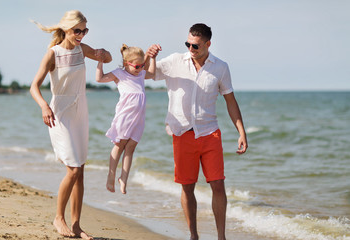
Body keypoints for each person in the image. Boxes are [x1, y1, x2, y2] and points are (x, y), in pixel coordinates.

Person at [147, 23, 248, 240]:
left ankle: (221, 237)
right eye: (188, 44)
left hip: (210, 133)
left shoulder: (220, 67)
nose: (191, 49)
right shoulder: (175, 61)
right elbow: (148, 74)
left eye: (195, 46)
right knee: (187, 187)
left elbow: (230, 101)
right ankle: (194, 236)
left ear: (208, 44)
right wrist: (151, 56)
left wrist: (241, 132)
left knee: (218, 184)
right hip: (182, 132)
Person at [29, 10, 112, 240]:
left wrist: (104, 54)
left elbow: (108, 58)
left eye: (85, 31)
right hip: (59, 114)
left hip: (80, 113)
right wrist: (44, 106)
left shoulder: (82, 50)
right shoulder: (52, 54)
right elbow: (34, 86)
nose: (81, 35)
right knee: (73, 169)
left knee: (80, 171)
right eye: (78, 30)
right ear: (66, 29)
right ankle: (59, 217)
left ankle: (76, 225)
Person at [96, 44, 157, 194]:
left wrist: (153, 59)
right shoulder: (119, 74)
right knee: (119, 145)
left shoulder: (142, 74)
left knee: (130, 148)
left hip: (139, 118)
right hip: (125, 116)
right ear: (126, 64)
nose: (140, 68)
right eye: (137, 66)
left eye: (142, 65)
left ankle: (124, 178)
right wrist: (100, 62)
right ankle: (111, 176)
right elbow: (100, 79)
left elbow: (152, 73)